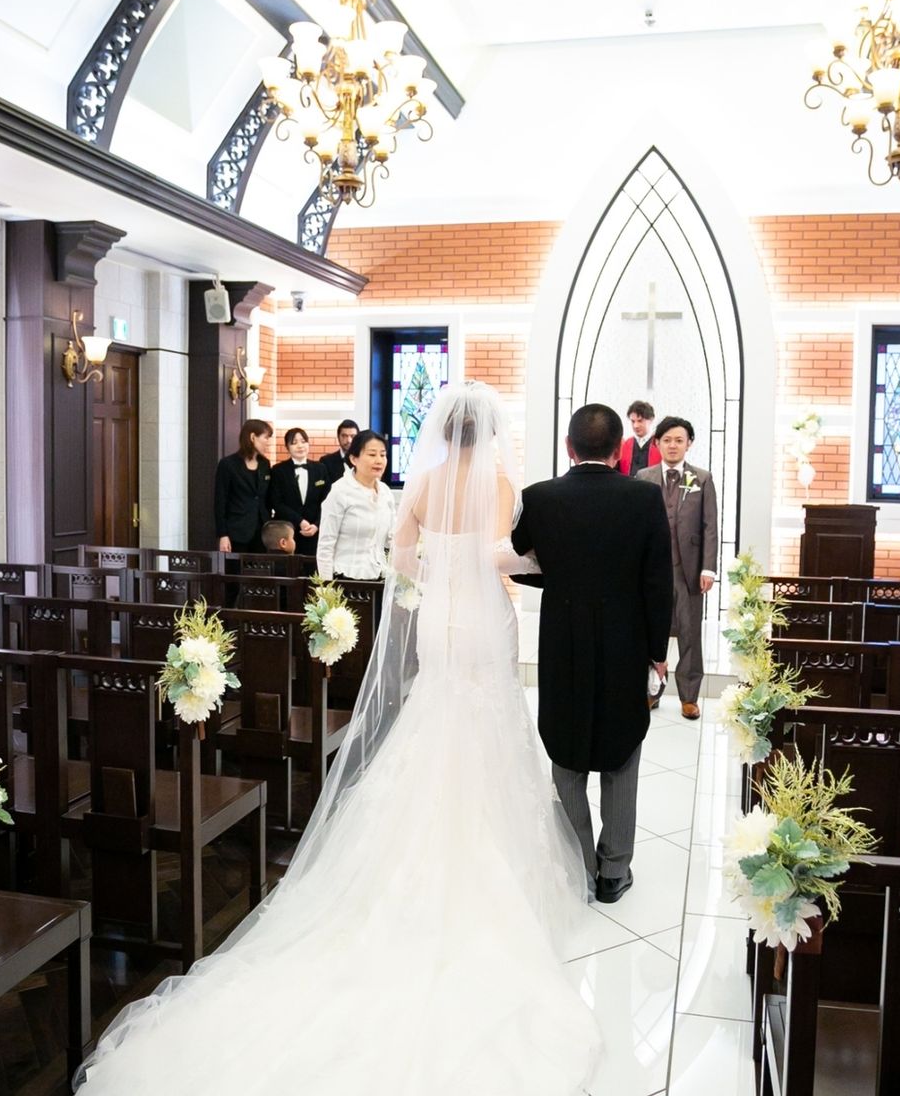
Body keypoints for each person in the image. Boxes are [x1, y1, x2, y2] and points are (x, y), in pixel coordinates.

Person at [74, 382, 601, 1095]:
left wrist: (438, 570)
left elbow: (402, 558)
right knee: (489, 720)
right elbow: (497, 558)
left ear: (446, 430)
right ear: (487, 433)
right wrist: (538, 565)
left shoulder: (423, 483)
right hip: (482, 618)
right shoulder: (500, 483)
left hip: (439, 621)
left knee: (435, 712)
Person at [513, 403, 673, 904]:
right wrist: (657, 650)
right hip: (627, 640)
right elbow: (658, 580)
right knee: (622, 748)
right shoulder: (644, 497)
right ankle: (614, 871)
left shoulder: (539, 497)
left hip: (563, 640)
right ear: (619, 450)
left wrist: (563, 578)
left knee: (566, 747)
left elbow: (519, 559)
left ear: (569, 447)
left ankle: (577, 864)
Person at [637, 416, 718, 721]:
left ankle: (689, 696)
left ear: (689, 444)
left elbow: (710, 526)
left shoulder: (702, 479)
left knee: (689, 632)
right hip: (652, 570)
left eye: (679, 440)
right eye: (667, 440)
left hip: (689, 570)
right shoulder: (643, 477)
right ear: (657, 443)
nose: (673, 446)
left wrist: (708, 568)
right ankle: (652, 690)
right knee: (649, 631)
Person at [315, 429, 395, 581]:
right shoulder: (340, 491)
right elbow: (326, 545)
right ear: (354, 459)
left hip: (379, 577)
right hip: (346, 579)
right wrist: (326, 587)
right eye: (372, 454)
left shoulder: (385, 492)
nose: (379, 460)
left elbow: (391, 539)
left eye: (383, 455)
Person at [213, 419, 274, 554]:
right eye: (265, 438)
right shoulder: (228, 464)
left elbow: (267, 498)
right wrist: (223, 535)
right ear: (253, 437)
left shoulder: (265, 464)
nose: (267, 442)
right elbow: (220, 502)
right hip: (236, 532)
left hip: (262, 532)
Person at [268, 428, 326, 554]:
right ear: (287, 447)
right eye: (294, 442)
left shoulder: (320, 469)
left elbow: (327, 501)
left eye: (303, 441)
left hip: (314, 533)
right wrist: (300, 521)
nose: (300, 446)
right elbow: (276, 502)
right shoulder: (278, 470)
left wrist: (317, 525)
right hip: (287, 533)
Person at [617, 399, 661, 476]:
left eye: (640, 421)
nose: (636, 426)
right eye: (633, 421)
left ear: (651, 419)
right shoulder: (626, 444)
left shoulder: (659, 445)